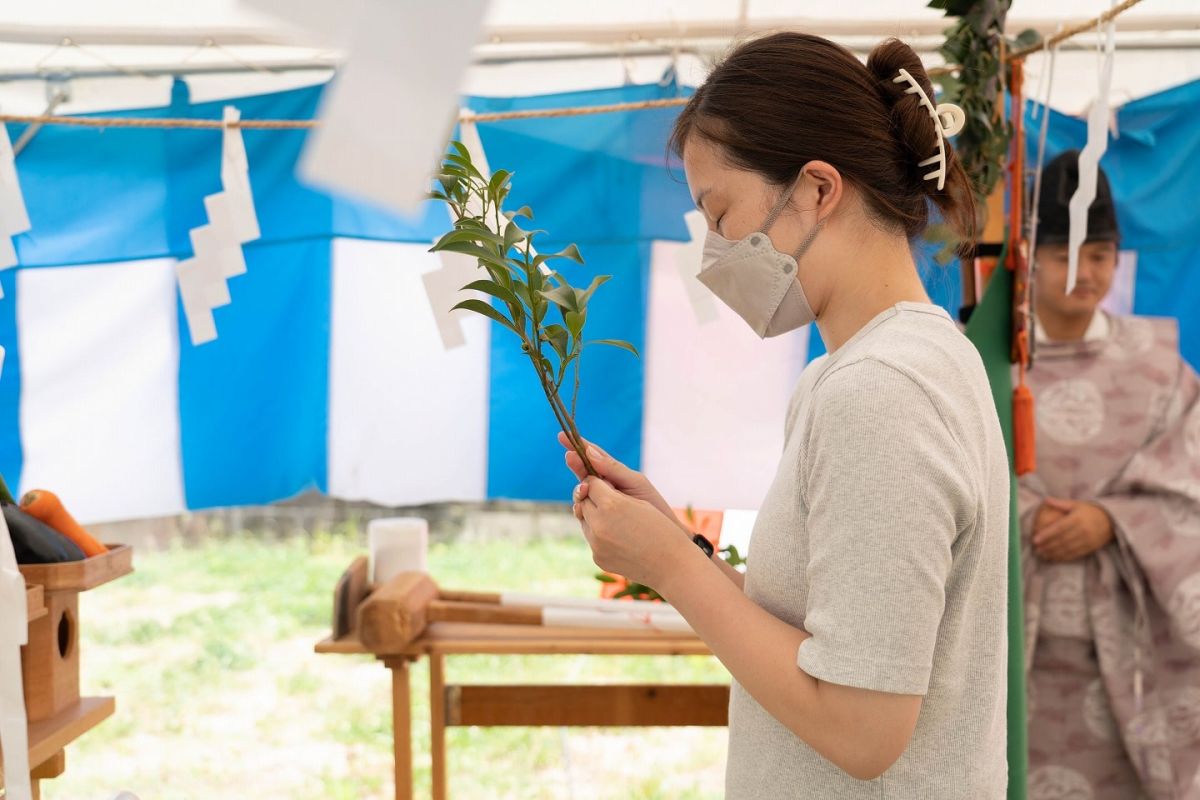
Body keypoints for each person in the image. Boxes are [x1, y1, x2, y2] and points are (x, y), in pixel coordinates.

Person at [558, 33, 1011, 798]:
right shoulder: (894, 363)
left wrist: (668, 568)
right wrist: (681, 546)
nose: (713, 252)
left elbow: (863, 729)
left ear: (816, 190)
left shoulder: (880, 391)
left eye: (721, 212)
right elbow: (827, 643)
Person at [1019, 151, 1200, 799]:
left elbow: (1193, 478)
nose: (1083, 272)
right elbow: (946, 475)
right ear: (1029, 257)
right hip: (1015, 649)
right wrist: (1025, 515)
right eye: (1065, 253)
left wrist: (1112, 519)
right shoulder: (986, 363)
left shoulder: (1157, 366)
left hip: (1137, 647)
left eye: (1099, 255)